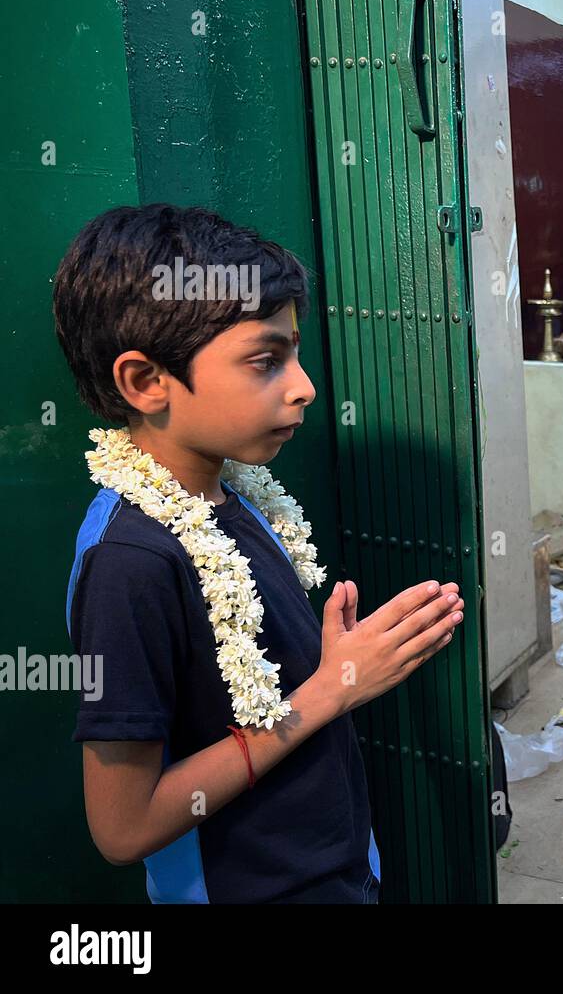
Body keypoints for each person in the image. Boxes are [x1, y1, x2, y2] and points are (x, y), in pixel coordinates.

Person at [53, 204, 465, 903]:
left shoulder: (231, 488)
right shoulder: (131, 564)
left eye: (295, 353)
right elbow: (122, 828)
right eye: (266, 360)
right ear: (146, 381)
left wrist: (327, 664)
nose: (303, 385)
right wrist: (327, 691)